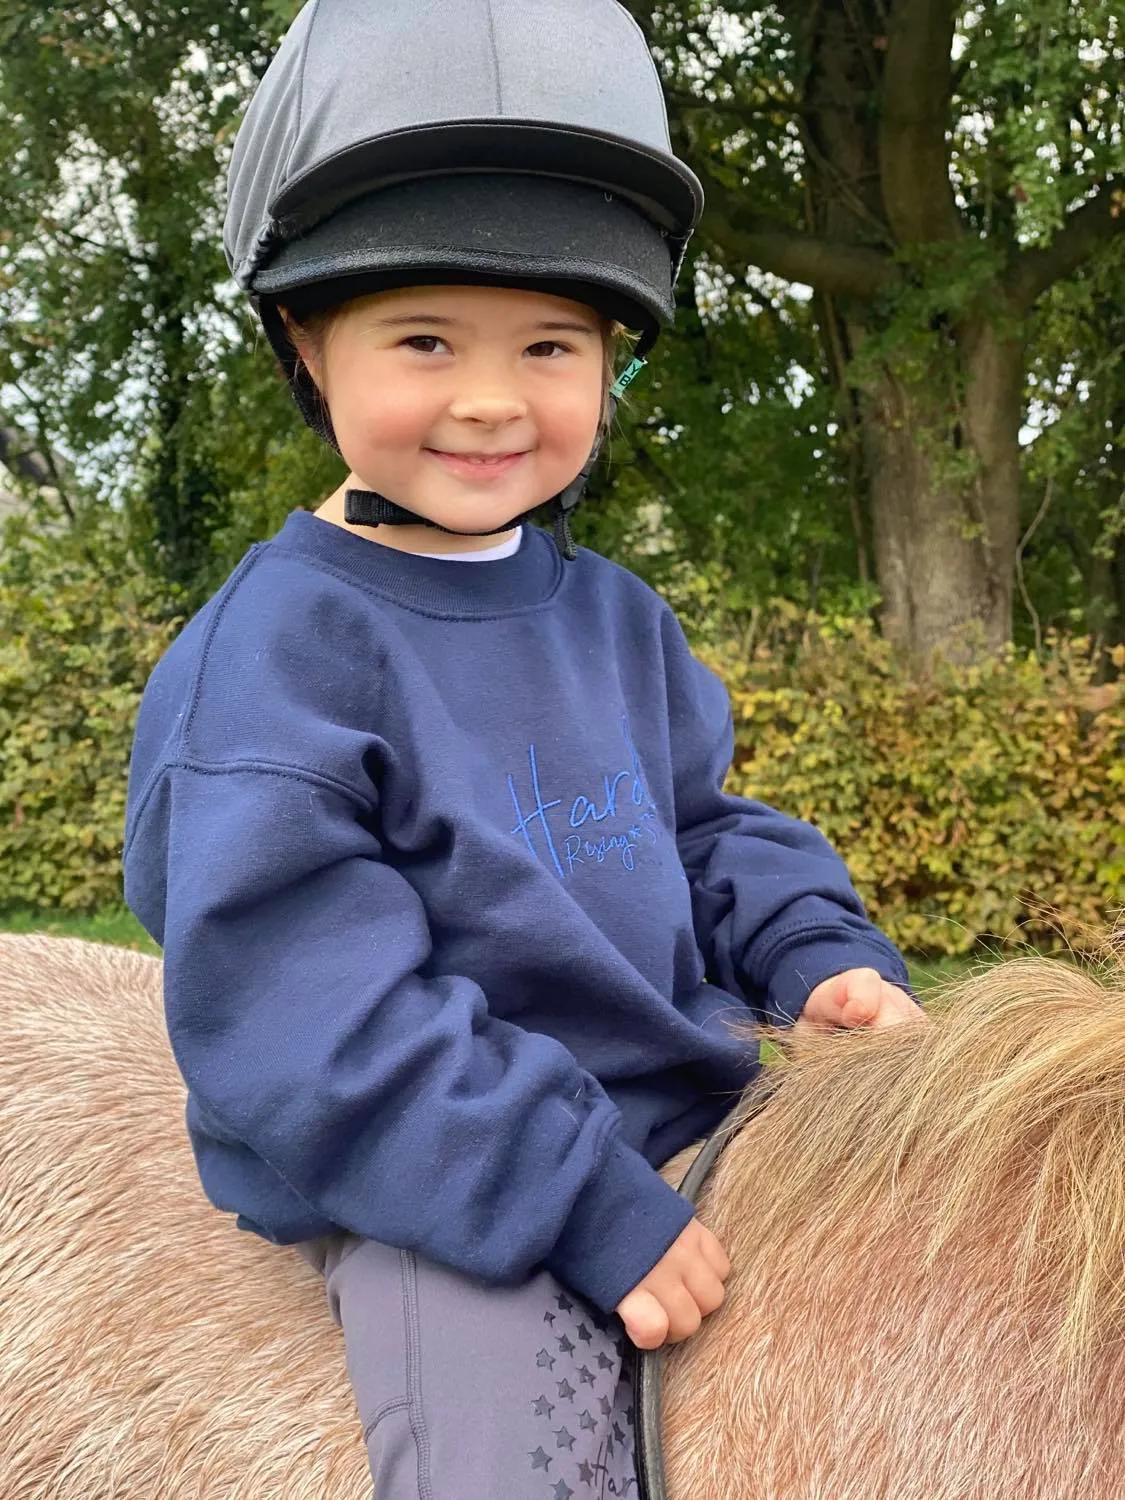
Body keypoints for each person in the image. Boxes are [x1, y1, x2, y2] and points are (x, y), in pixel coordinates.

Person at [123, 1, 921, 1494]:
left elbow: (701, 831)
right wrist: (579, 1197)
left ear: (608, 358)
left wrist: (817, 954)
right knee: (523, 1471)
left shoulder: (615, 618)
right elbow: (304, 1010)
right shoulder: (276, 658)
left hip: (703, 1107)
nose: (494, 398)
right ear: (307, 340)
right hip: (455, 1168)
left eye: (550, 343)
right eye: (426, 338)